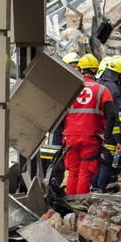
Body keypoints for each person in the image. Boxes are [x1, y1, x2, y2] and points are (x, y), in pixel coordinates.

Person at [62, 54, 115, 196]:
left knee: (73, 170)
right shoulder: (102, 90)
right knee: (85, 171)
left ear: (80, 69)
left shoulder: (69, 88)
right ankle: (80, 204)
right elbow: (112, 115)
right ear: (96, 70)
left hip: (71, 136)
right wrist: (107, 136)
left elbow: (59, 112)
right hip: (91, 136)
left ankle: (70, 203)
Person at [38, 52, 80, 186]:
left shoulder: (61, 85)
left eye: (78, 66)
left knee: (54, 170)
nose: (77, 69)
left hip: (54, 137)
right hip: (53, 137)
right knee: (52, 170)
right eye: (73, 66)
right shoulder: (65, 87)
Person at [93, 54, 121, 191]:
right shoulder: (114, 89)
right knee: (107, 160)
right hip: (110, 131)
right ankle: (100, 187)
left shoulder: (98, 84)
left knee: (97, 159)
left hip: (95, 129)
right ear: (118, 74)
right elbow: (117, 114)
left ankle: (95, 186)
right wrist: (120, 138)